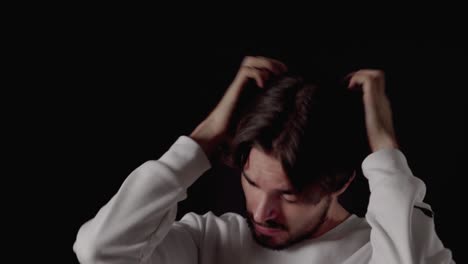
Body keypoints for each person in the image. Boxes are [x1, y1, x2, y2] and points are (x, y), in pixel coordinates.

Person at [73, 56, 455, 263]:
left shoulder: (374, 251)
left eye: (288, 195)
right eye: (252, 183)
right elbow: (99, 251)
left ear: (340, 182)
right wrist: (201, 141)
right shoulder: (206, 242)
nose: (261, 212)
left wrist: (385, 154)